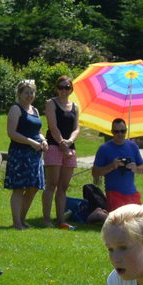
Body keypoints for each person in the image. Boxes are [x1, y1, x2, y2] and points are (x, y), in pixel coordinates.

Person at [3, 78, 46, 229]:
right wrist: (30, 142)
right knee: (19, 188)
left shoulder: (35, 110)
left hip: (35, 155)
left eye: (32, 92)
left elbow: (38, 132)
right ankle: (16, 223)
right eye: (26, 93)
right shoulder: (16, 109)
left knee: (33, 187)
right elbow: (12, 133)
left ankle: (22, 219)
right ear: (20, 94)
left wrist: (43, 140)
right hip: (20, 153)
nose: (30, 95)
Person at [41, 75, 83, 226]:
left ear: (71, 89)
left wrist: (69, 142)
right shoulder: (51, 103)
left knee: (63, 186)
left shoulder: (75, 106)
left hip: (70, 148)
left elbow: (77, 128)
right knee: (51, 184)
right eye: (61, 87)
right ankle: (46, 219)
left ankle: (60, 219)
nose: (64, 90)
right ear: (56, 88)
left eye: (67, 87)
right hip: (54, 146)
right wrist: (61, 143)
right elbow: (53, 126)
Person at [91, 118, 143, 213]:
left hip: (132, 193)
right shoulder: (104, 149)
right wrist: (112, 166)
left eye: (123, 131)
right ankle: (99, 215)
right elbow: (95, 173)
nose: (120, 134)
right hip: (114, 193)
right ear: (112, 132)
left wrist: (135, 168)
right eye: (116, 132)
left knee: (139, 219)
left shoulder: (132, 146)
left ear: (126, 131)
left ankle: (101, 214)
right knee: (121, 221)